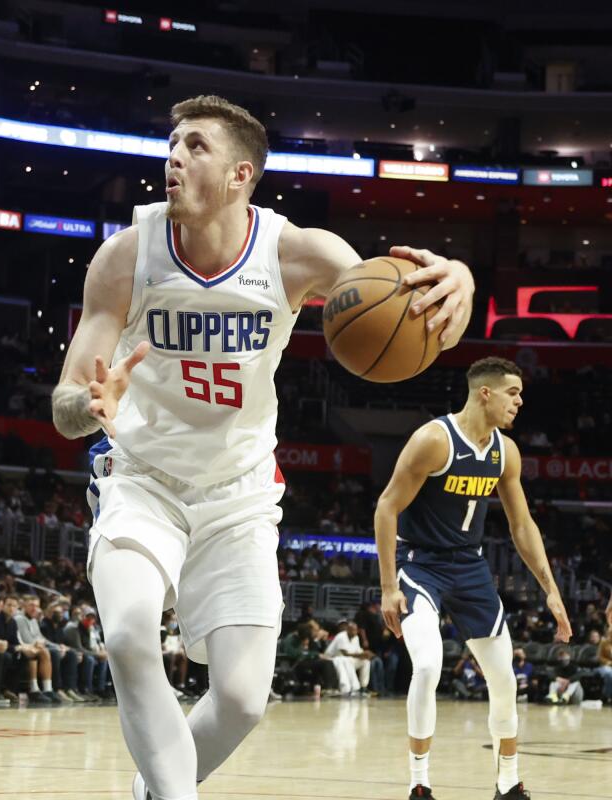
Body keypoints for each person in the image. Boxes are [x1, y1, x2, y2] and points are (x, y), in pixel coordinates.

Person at [51, 93, 475, 800]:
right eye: (172, 144)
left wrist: (457, 283)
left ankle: (149, 789)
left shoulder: (297, 253)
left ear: (243, 173)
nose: (174, 158)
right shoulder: (125, 257)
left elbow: (412, 315)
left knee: (244, 700)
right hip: (142, 479)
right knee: (128, 636)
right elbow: (66, 405)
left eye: (195, 146)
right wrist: (89, 406)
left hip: (239, 495)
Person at [375, 357, 572, 800]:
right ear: (486, 392)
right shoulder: (433, 440)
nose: (519, 402)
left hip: (470, 566)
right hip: (420, 563)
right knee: (426, 664)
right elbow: (386, 506)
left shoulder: (506, 452)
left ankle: (508, 783)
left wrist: (551, 589)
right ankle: (419, 784)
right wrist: (389, 587)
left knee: (504, 679)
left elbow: (522, 527)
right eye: (513, 393)